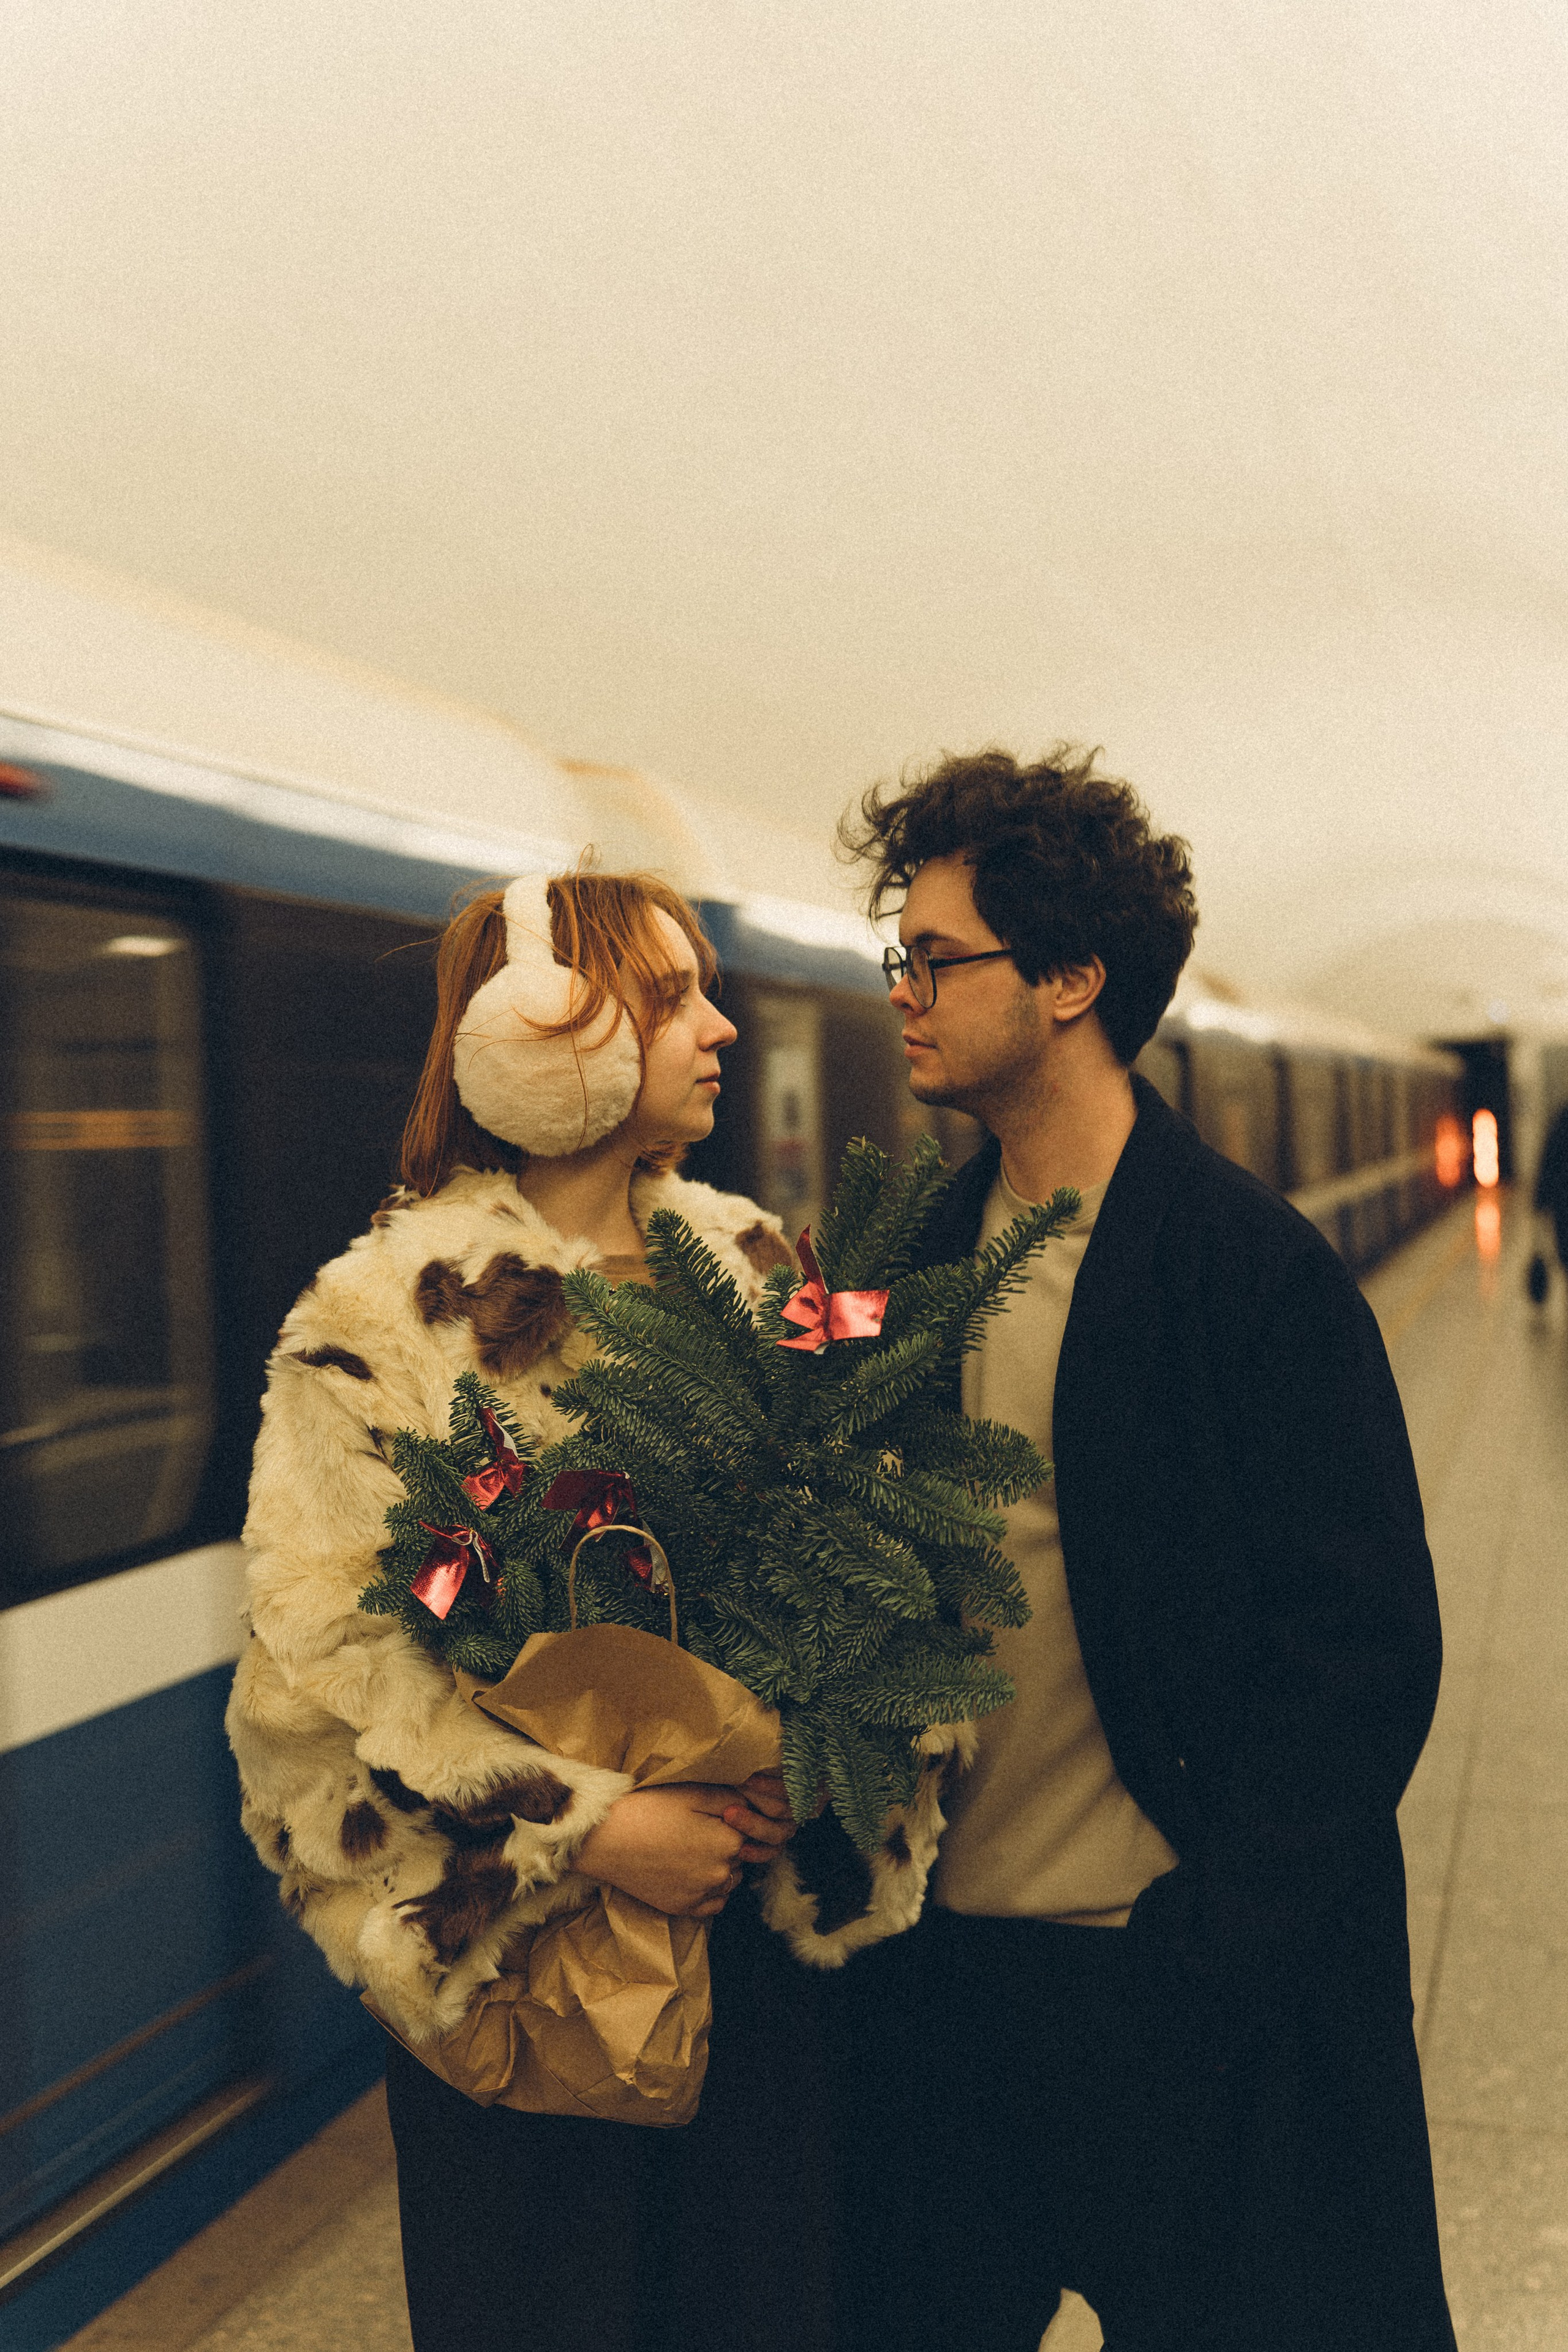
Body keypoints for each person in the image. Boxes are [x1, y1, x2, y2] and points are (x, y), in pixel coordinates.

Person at [225, 872, 929, 2352]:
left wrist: (808, 1767)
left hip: (759, 1949)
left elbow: (892, 1545)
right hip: (518, 1986)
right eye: (671, 1000)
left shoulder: (759, 1267)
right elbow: (315, 1692)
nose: (722, 1029)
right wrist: (592, 1828)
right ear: (541, 1038)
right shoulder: (376, 1321)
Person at [828, 749, 1455, 2352]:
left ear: (1070, 980)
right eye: (897, 956)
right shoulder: (904, 1266)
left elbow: (1366, 1648)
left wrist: (1213, 1931)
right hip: (947, 1989)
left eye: (937, 956)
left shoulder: (1246, 1272)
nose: (902, 990)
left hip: (1171, 1985)